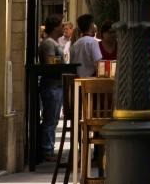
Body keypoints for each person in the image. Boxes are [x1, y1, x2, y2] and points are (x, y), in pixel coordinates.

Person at [36, 17, 68, 163]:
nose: (64, 28)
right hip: (51, 85)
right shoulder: (49, 43)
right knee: (50, 119)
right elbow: (50, 62)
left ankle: (48, 148)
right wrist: (62, 63)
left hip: (56, 85)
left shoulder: (53, 42)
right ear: (55, 27)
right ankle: (47, 150)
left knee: (53, 119)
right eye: (61, 25)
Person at [71, 12, 104, 78]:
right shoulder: (93, 42)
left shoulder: (75, 44)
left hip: (77, 79)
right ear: (91, 25)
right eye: (94, 23)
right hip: (90, 80)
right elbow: (99, 64)